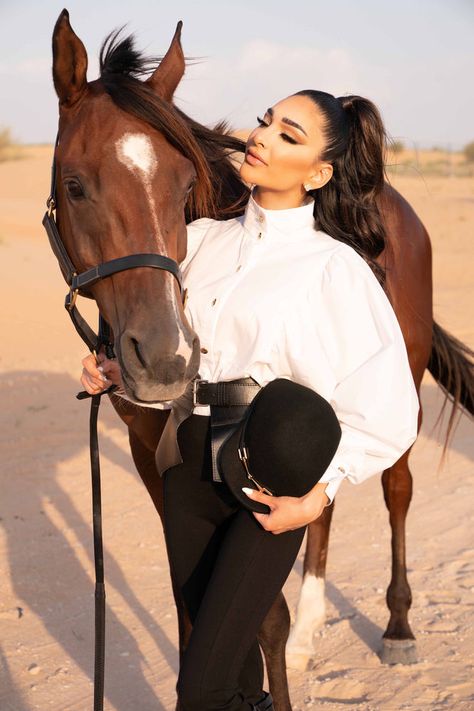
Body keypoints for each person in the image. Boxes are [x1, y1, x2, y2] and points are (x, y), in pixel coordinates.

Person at [80, 90, 419, 710]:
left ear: (319, 174)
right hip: (185, 466)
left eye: (289, 135)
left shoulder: (333, 267)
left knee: (199, 685)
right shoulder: (197, 242)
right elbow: (179, 361)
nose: (261, 136)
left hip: (270, 478)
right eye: (267, 120)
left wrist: (318, 497)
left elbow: (387, 406)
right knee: (232, 680)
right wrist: (118, 374)